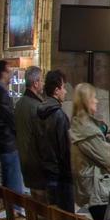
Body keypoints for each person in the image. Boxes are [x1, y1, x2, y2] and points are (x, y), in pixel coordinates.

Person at [69, 82, 110, 220]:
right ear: (86, 101)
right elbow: (108, 159)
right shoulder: (87, 131)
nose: (97, 100)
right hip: (97, 191)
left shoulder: (80, 124)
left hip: (91, 187)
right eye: (93, 97)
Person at [34, 70, 74, 212]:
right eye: (63, 88)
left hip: (45, 169)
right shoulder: (59, 116)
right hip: (60, 174)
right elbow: (65, 149)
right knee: (66, 218)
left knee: (53, 214)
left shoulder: (39, 111)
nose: (65, 92)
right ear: (56, 90)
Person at [0, 60, 23, 192]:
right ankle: (14, 211)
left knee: (8, 182)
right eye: (9, 72)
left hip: (4, 142)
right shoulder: (1, 94)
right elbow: (11, 119)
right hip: (8, 143)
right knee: (14, 187)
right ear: (3, 73)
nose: (11, 75)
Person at [15, 65, 45, 188]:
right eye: (42, 80)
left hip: (24, 160)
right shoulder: (36, 107)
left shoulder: (19, 103)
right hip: (36, 163)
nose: (43, 83)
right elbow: (41, 137)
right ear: (35, 83)